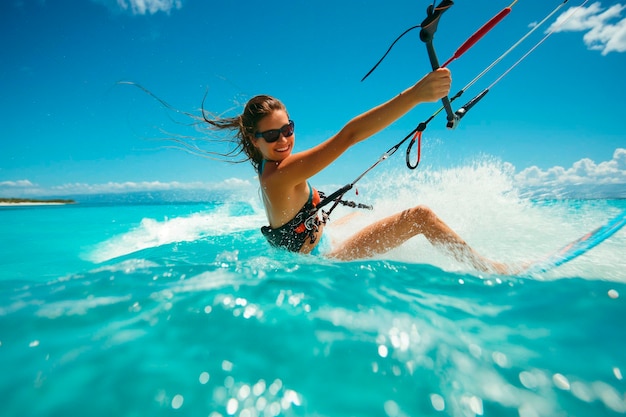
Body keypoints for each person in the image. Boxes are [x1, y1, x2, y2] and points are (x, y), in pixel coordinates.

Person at [203, 68, 508, 273]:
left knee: (362, 213)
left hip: (320, 243)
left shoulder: (270, 169)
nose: (283, 140)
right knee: (420, 217)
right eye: (271, 135)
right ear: (254, 140)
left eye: (287, 129)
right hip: (323, 260)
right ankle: (489, 270)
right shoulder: (281, 174)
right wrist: (415, 95)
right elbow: (349, 135)